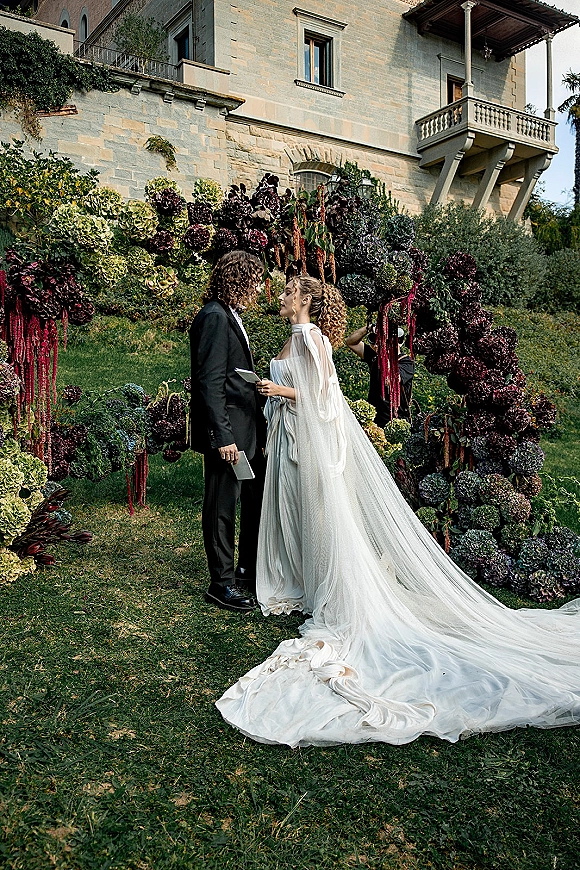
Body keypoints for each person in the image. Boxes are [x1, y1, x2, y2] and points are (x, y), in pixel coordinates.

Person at [215, 275, 580, 748]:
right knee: (293, 513)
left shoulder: (311, 338)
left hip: (305, 439)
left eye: (289, 292)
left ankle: (313, 584)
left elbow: (325, 396)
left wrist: (274, 390)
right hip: (289, 437)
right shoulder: (295, 336)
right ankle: (298, 580)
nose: (281, 297)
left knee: (312, 514)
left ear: (306, 300)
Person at [189, 250, 266, 613]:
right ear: (239, 279)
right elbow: (209, 382)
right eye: (254, 281)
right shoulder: (215, 317)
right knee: (221, 507)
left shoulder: (228, 314)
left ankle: (243, 572)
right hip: (229, 435)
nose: (259, 289)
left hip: (247, 430)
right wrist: (223, 438)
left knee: (250, 503)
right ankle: (220, 584)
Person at [345, 323, 415, 424]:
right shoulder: (375, 357)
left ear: (399, 343)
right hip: (372, 419)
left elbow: (391, 381)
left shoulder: (406, 362)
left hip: (393, 421)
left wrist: (384, 353)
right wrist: (369, 328)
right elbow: (350, 342)